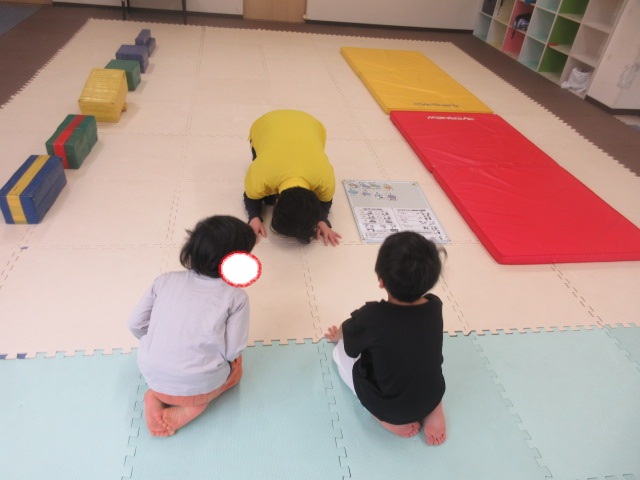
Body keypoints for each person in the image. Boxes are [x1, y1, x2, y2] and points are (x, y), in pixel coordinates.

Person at [128, 215, 257, 436]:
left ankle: (155, 395)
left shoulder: (164, 280)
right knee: (236, 372)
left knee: (173, 369)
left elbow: (135, 324)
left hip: (152, 373)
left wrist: (162, 340)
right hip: (199, 384)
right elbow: (233, 351)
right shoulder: (236, 297)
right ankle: (191, 407)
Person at [324, 231, 447, 445]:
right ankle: (433, 408)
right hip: (432, 392)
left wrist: (338, 335)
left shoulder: (370, 317)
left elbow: (352, 348)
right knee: (417, 366)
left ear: (381, 281)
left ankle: (384, 418)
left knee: (339, 355)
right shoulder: (435, 306)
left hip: (393, 409)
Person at [243, 109, 341, 246]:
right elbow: (250, 196)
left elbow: (326, 200)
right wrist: (254, 217)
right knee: (264, 198)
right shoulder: (261, 175)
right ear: (277, 201)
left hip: (311, 124)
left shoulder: (325, 180)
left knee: (265, 198)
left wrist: (322, 220)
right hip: (266, 123)